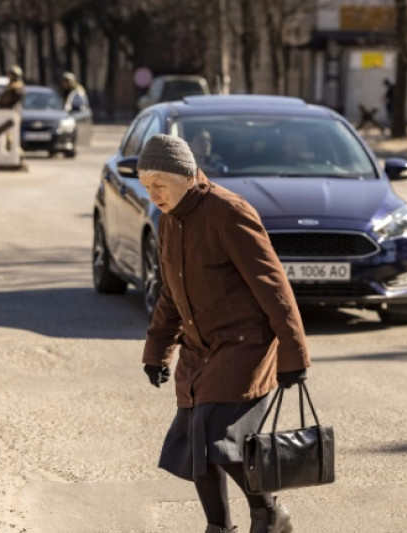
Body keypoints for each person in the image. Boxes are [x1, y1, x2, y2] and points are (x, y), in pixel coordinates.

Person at [138, 134, 311, 533]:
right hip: (200, 349)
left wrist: (294, 355)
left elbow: (273, 285)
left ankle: (269, 513)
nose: (153, 195)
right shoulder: (168, 221)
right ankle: (219, 528)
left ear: (185, 176)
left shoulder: (228, 212)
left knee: (217, 435)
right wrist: (156, 351)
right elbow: (171, 291)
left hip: (244, 344)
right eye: (146, 187)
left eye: (159, 185)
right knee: (196, 444)